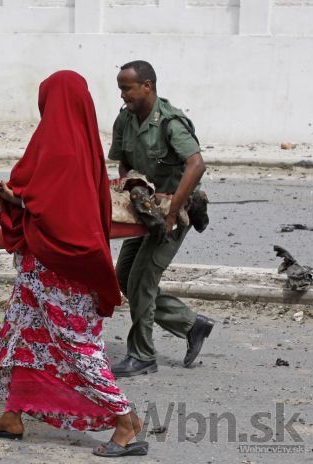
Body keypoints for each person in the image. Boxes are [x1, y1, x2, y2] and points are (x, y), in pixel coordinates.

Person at [0, 71, 148, 458]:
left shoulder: (61, 148)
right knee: (19, 334)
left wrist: (16, 199)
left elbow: (53, 210)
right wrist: (20, 197)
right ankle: (12, 415)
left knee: (75, 345)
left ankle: (125, 421)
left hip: (60, 269)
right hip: (40, 266)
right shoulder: (79, 143)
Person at [108, 60, 214, 378]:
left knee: (142, 279)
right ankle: (191, 324)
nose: (123, 95)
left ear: (147, 86)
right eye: (120, 88)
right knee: (123, 275)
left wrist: (169, 213)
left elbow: (196, 165)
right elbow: (123, 164)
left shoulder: (170, 122)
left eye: (126, 88)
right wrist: (135, 189)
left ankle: (142, 355)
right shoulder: (125, 120)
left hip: (176, 211)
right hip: (146, 211)